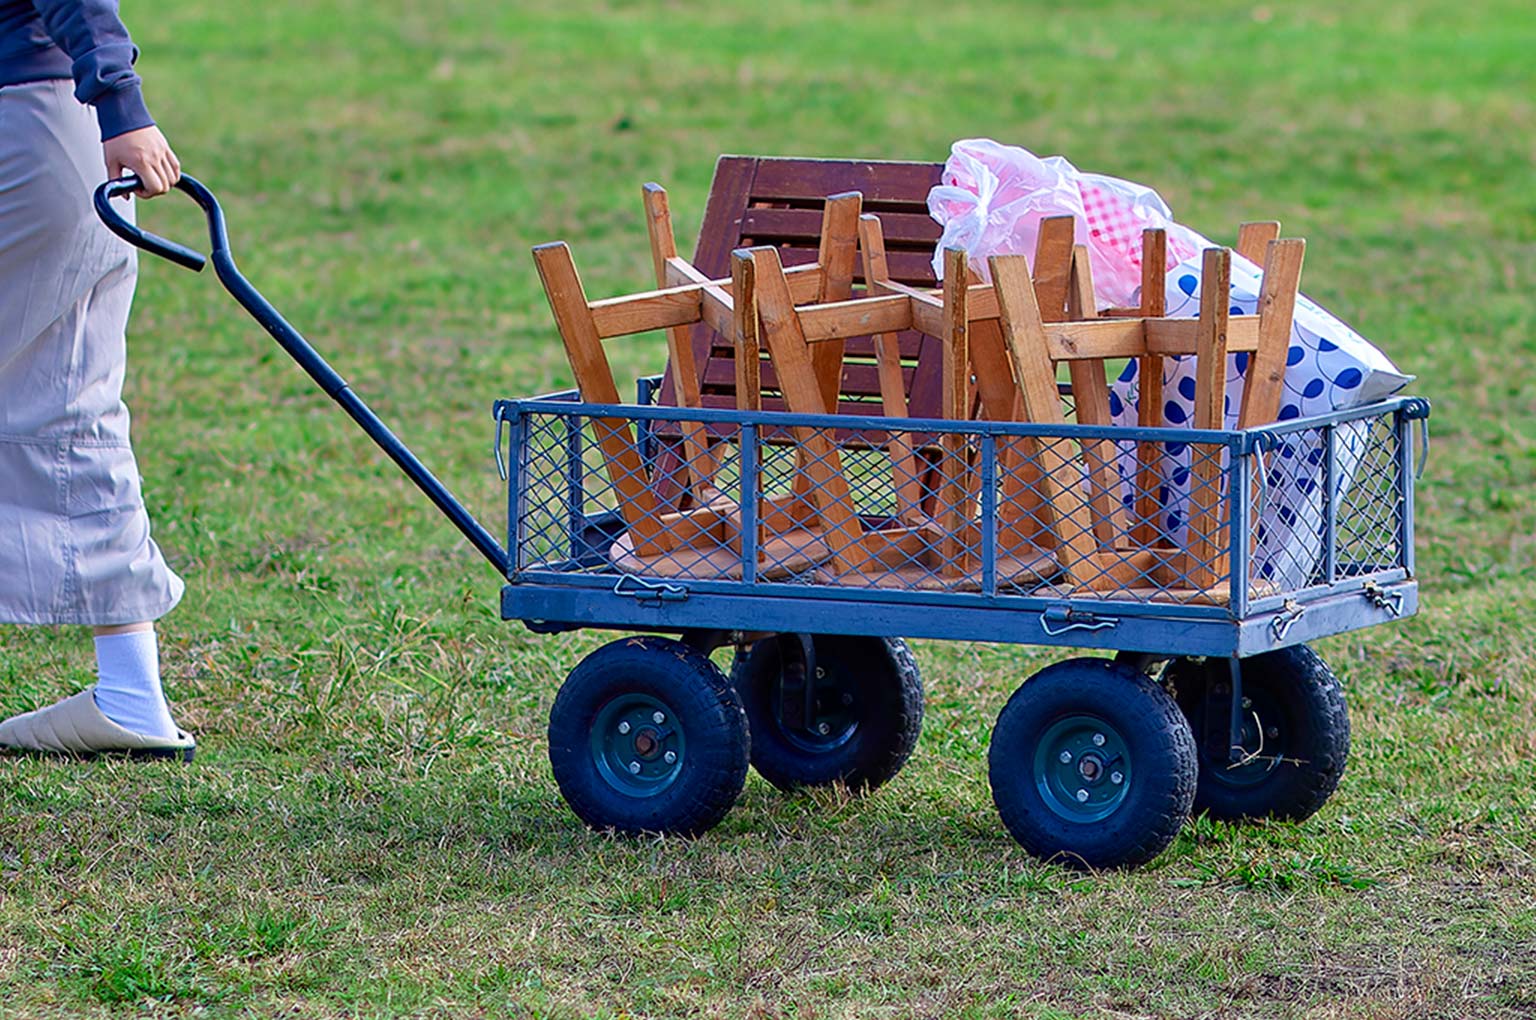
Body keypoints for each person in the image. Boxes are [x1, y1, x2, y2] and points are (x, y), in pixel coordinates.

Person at [0, 0, 194, 758]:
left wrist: (122, 100)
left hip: (27, 127)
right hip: (63, 137)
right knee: (73, 401)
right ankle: (129, 689)